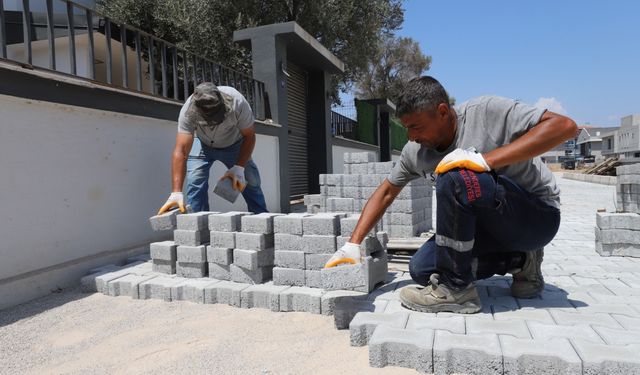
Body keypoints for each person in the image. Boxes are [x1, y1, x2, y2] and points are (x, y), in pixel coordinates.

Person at [324, 76, 577, 314]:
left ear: (443, 112)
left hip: (536, 218)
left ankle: (456, 290)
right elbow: (387, 191)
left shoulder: (486, 112)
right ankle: (521, 261)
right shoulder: (416, 152)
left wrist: (483, 160)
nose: (411, 137)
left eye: (416, 127)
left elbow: (565, 127)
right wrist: (353, 244)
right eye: (407, 128)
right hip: (487, 228)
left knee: (455, 174)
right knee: (422, 269)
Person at [157, 82, 268, 215]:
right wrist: (176, 192)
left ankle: (263, 221)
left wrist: (238, 168)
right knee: (195, 182)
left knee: (251, 180)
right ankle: (197, 225)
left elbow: (249, 137)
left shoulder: (237, 102)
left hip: (234, 144)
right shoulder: (188, 111)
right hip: (202, 144)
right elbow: (181, 150)